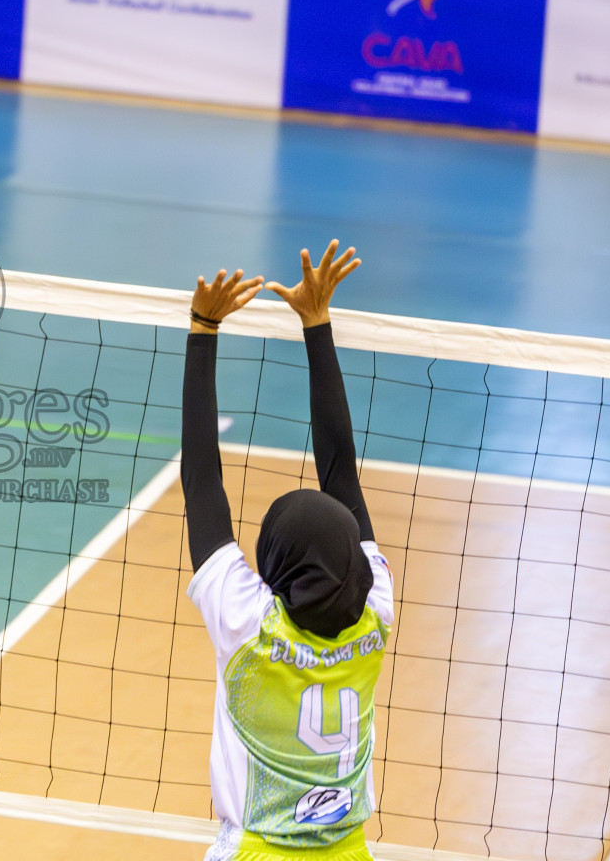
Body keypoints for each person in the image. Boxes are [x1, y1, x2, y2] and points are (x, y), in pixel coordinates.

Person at [180, 242, 395, 861]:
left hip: (257, 849)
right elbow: (343, 475)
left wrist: (204, 328)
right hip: (348, 850)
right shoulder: (375, 606)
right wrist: (317, 321)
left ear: (274, 569)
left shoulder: (246, 624)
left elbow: (200, 478)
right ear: (353, 561)